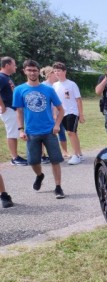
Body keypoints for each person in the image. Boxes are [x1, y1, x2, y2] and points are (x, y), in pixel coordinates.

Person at [13, 59, 66, 199]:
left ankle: (58, 187)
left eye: (35, 70)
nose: (32, 73)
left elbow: (61, 110)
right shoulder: (19, 90)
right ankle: (39, 175)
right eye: (29, 70)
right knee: (33, 161)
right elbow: (19, 111)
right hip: (31, 131)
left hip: (49, 130)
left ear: (38, 71)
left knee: (55, 160)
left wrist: (57, 125)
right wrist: (21, 129)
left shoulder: (48, 89)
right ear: (24, 71)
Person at [52, 62, 84, 165]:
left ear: (64, 71)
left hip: (72, 111)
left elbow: (78, 100)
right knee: (73, 133)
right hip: (62, 113)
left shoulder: (71, 84)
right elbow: (55, 102)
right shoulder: (54, 85)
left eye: (59, 70)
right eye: (55, 71)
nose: (57, 73)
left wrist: (81, 114)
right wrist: (55, 113)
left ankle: (76, 155)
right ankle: (79, 153)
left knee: (70, 133)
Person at [0, 57, 27, 166]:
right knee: (11, 133)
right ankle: (14, 157)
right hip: (8, 108)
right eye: (14, 64)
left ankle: (16, 156)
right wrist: (2, 106)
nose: (15, 67)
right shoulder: (1, 77)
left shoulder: (6, 77)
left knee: (14, 132)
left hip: (13, 108)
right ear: (7, 65)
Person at [41, 66, 69, 161]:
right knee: (47, 134)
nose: (57, 74)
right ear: (50, 74)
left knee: (61, 131)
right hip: (49, 114)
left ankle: (64, 152)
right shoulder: (44, 85)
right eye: (54, 72)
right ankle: (43, 154)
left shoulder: (56, 85)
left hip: (57, 112)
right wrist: (53, 114)